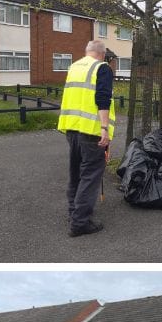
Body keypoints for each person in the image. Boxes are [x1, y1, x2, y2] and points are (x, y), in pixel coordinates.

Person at [57, 39, 115, 237]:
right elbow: (103, 99)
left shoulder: (73, 67)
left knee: (76, 174)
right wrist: (104, 128)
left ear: (87, 52)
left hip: (71, 129)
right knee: (90, 176)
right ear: (102, 54)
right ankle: (80, 223)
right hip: (92, 131)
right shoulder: (102, 68)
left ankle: (74, 213)